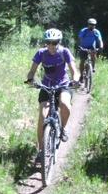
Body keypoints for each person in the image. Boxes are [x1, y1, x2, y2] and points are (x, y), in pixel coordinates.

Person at [25, 28, 80, 156]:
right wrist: (30, 79)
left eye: (54, 42)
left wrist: (76, 80)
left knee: (65, 103)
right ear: (46, 43)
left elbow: (74, 70)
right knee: (43, 116)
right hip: (46, 85)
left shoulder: (64, 52)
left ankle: (63, 129)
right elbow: (32, 70)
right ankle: (40, 150)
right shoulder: (41, 53)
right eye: (49, 42)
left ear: (59, 42)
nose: (51, 45)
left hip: (63, 84)